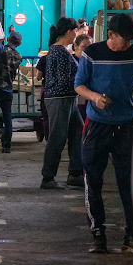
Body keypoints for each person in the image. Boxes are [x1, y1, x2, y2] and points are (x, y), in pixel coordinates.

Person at [75, 13, 133, 254]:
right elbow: (79, 85)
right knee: (92, 180)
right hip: (97, 126)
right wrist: (95, 97)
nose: (128, 43)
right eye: (124, 39)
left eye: (131, 39)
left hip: (125, 125)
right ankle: (98, 234)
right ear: (111, 35)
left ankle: (132, 235)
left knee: (128, 181)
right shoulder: (92, 54)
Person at [37, 17, 84, 189]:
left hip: (67, 100)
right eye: (76, 31)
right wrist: (84, 81)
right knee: (57, 138)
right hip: (61, 99)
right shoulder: (61, 52)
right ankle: (48, 177)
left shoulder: (58, 50)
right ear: (69, 32)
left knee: (77, 132)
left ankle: (75, 173)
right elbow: (65, 80)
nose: (76, 35)